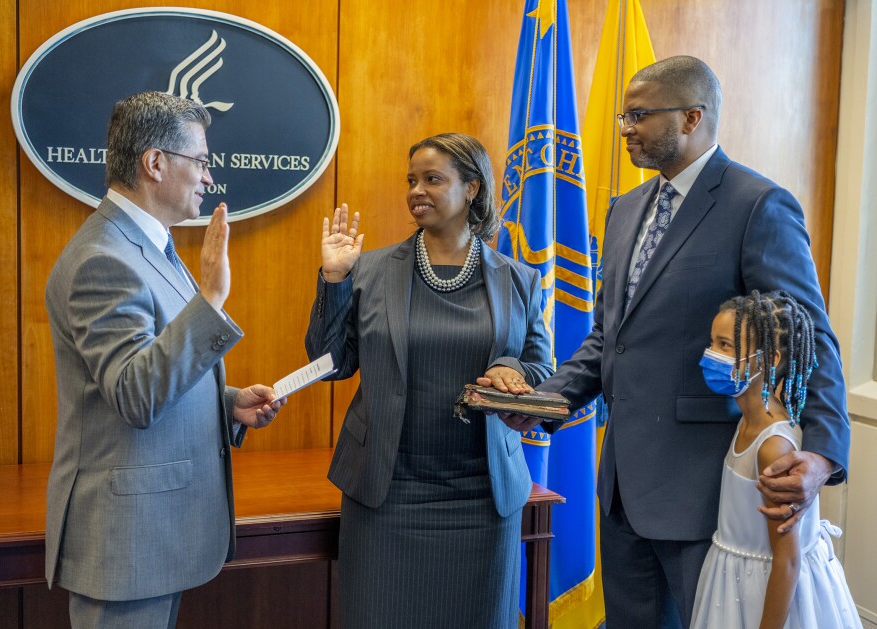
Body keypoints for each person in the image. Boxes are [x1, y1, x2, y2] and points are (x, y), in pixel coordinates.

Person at [502, 56, 850, 627]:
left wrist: (825, 452)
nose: (625, 129)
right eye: (623, 115)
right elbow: (610, 339)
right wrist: (546, 402)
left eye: (639, 115)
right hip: (620, 488)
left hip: (707, 492)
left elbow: (811, 334)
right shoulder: (623, 209)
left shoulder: (757, 205)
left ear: (692, 117)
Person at [44, 91, 284, 628]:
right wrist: (211, 301)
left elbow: (148, 368)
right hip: (126, 546)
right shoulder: (102, 259)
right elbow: (134, 394)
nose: (208, 177)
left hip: (156, 538)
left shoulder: (151, 246)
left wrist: (227, 405)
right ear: (154, 163)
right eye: (200, 160)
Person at [305, 132, 553, 628]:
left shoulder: (517, 278)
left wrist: (513, 369)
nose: (416, 190)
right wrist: (334, 281)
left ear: (473, 189)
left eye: (433, 179)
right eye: (412, 180)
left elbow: (541, 369)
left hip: (482, 496)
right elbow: (331, 361)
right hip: (386, 493)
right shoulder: (370, 270)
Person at [690, 290, 860, 628]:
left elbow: (787, 561)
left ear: (768, 360)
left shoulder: (773, 447)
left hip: (764, 590)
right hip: (733, 578)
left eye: (725, 346)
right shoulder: (746, 420)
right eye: (712, 342)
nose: (711, 355)